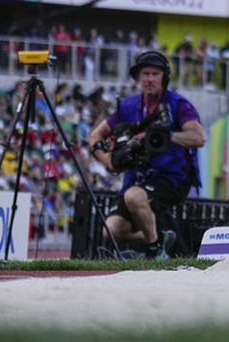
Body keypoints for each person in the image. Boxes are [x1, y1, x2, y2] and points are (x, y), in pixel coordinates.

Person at [87, 51, 204, 259]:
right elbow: (95, 135)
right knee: (111, 231)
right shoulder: (128, 107)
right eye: (145, 74)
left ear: (164, 78)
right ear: (138, 77)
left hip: (173, 177)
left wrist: (166, 136)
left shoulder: (179, 105)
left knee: (133, 196)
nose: (150, 79)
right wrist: (108, 161)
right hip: (137, 178)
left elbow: (198, 138)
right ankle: (160, 239)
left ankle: (155, 252)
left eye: (155, 74)